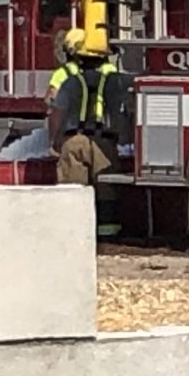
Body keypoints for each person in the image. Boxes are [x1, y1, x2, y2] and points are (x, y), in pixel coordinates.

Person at [47, 27, 123, 235]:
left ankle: (74, 232)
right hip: (104, 143)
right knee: (107, 190)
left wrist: (55, 141)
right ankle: (108, 234)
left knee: (73, 190)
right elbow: (122, 113)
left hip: (74, 141)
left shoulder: (70, 81)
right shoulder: (113, 82)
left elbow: (56, 112)